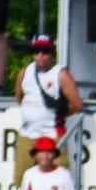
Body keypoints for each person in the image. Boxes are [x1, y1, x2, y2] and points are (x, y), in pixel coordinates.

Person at [14, 37, 82, 181]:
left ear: (52, 53)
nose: (40, 55)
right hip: (27, 134)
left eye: (45, 52)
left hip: (53, 134)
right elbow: (19, 97)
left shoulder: (61, 74)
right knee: (22, 179)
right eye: (36, 51)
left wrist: (59, 114)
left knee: (58, 178)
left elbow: (77, 104)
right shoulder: (25, 72)